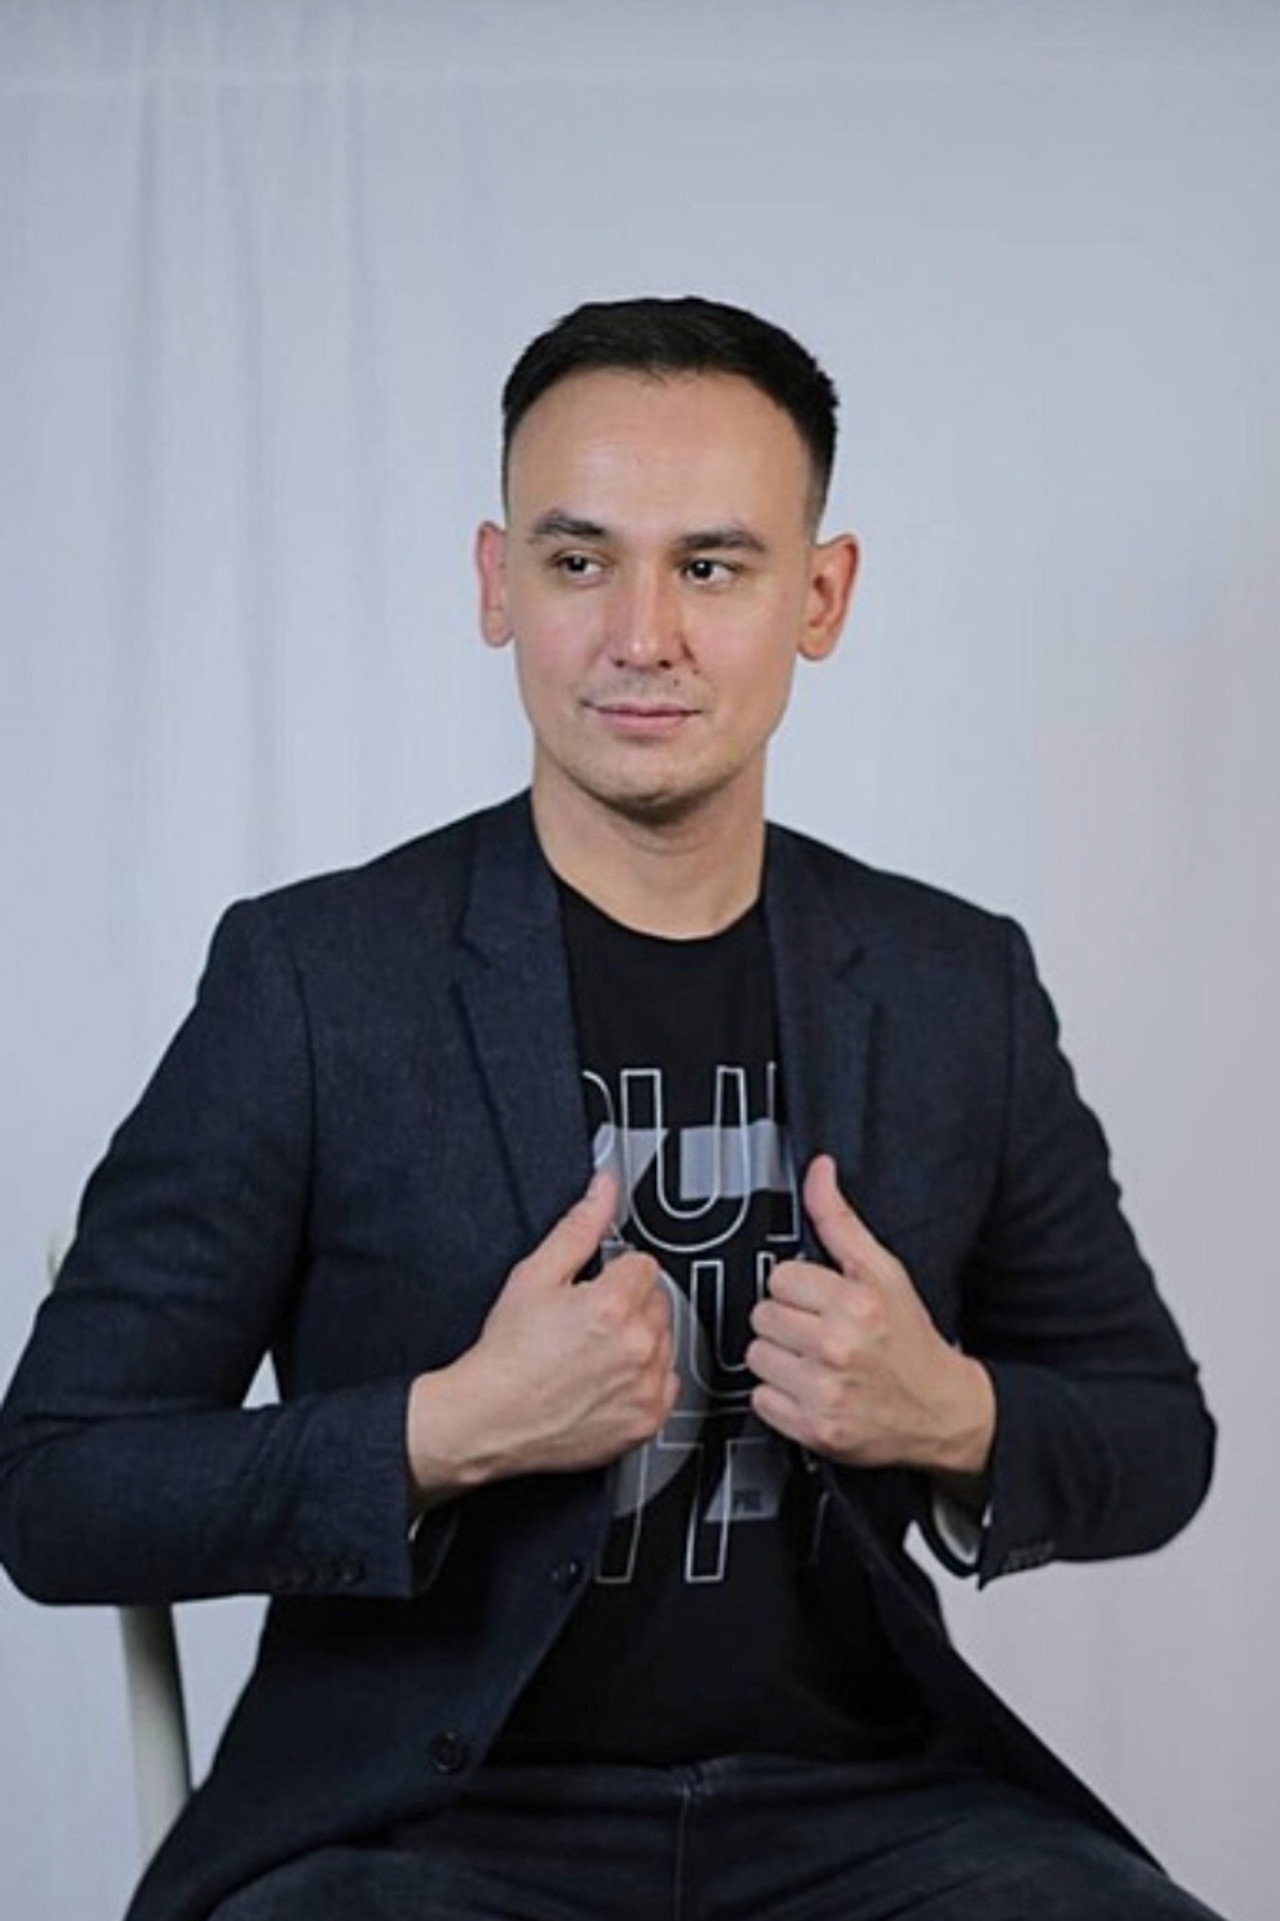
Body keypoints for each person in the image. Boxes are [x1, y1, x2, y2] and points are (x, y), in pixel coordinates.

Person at [0, 296, 1223, 1921]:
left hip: (874, 1819)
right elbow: (60, 1485)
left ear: (820, 597)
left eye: (711, 565)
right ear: (496, 582)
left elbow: (1158, 1436)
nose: (642, 633)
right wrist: (445, 1431)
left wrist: (955, 1415)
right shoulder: (314, 979)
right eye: (580, 560)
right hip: (422, 1832)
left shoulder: (954, 985)